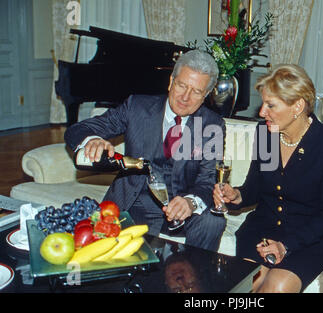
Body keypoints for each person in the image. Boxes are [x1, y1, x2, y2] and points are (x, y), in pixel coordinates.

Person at [65, 49, 226, 252]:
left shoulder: (213, 125)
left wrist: (190, 203)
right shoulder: (136, 107)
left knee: (214, 222)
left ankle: (193, 281)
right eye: (181, 85)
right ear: (171, 81)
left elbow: (208, 179)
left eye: (196, 91)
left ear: (206, 95)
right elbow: (77, 130)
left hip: (181, 210)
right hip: (135, 204)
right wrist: (93, 140)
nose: (185, 97)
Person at [213, 64, 323, 292]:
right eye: (263, 103)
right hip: (260, 232)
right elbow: (254, 189)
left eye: (271, 105)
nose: (261, 112)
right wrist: (236, 195)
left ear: (297, 106)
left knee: (275, 287)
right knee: (247, 286)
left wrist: (286, 245)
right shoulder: (266, 133)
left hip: (306, 240)